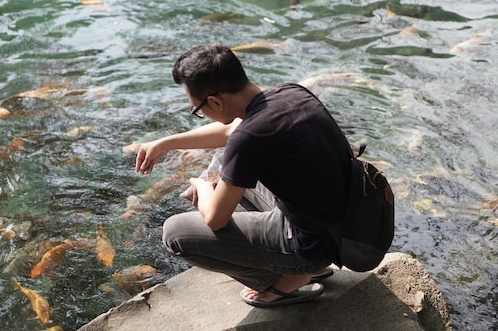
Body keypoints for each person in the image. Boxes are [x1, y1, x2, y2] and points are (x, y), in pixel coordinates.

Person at [123, 43, 355, 307]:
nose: (200, 114)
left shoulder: (249, 138)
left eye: (197, 110)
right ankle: (301, 264)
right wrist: (166, 143)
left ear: (215, 101)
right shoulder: (291, 93)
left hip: (312, 246)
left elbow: (215, 219)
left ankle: (287, 276)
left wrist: (200, 186)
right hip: (344, 226)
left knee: (174, 233)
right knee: (224, 162)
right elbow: (229, 132)